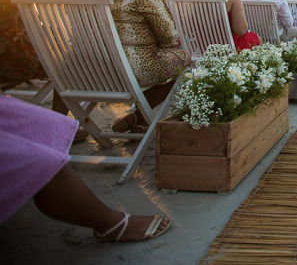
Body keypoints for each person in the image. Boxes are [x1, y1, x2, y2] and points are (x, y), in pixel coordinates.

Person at [0, 95, 172, 240]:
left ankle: (136, 119)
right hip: (112, 76)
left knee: (45, 123)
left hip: (80, 76)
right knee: (41, 160)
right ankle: (110, 224)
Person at [70, 0, 189, 133]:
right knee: (184, 58)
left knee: (68, 60)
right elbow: (169, 35)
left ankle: (58, 126)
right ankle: (140, 116)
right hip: (131, 71)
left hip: (84, 71)